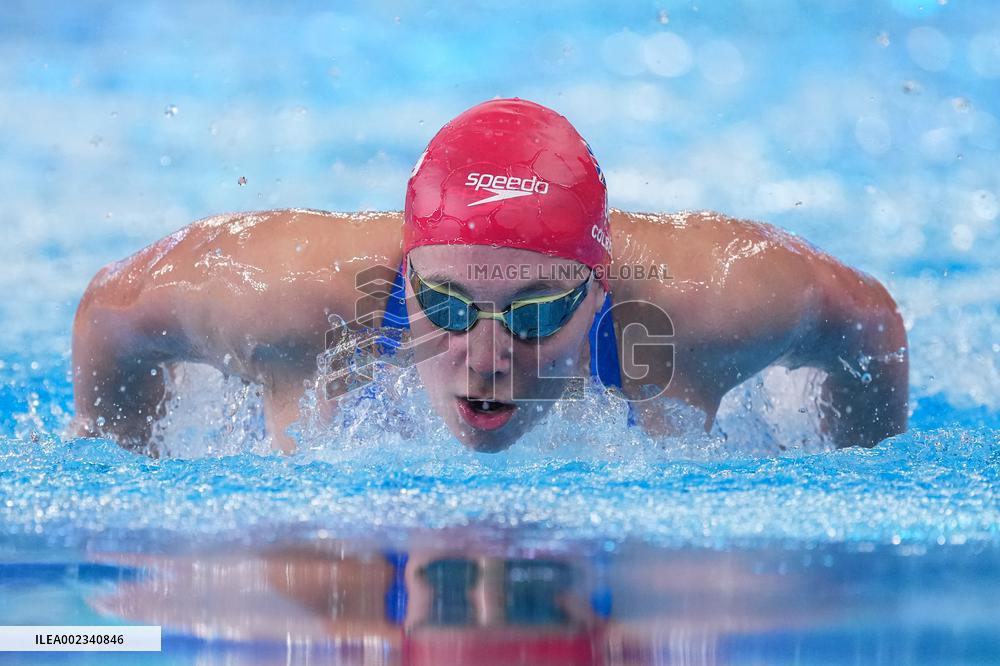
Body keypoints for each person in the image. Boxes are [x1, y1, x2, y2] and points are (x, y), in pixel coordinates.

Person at [69, 98, 908, 455]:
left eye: (539, 311)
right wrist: (129, 474)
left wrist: (864, 466)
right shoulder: (279, 299)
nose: (487, 354)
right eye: (446, 305)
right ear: (408, 269)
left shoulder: (718, 301)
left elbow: (868, 319)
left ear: (599, 285)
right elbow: (109, 311)